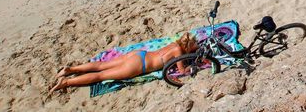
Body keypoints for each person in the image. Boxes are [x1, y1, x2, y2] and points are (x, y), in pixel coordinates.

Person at [48, 33, 198, 94]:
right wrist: (192, 67)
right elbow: (182, 70)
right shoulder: (179, 52)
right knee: (101, 75)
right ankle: (67, 82)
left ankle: (71, 69)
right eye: (194, 45)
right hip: (140, 65)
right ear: (188, 46)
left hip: (139, 54)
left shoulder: (174, 44)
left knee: (101, 65)